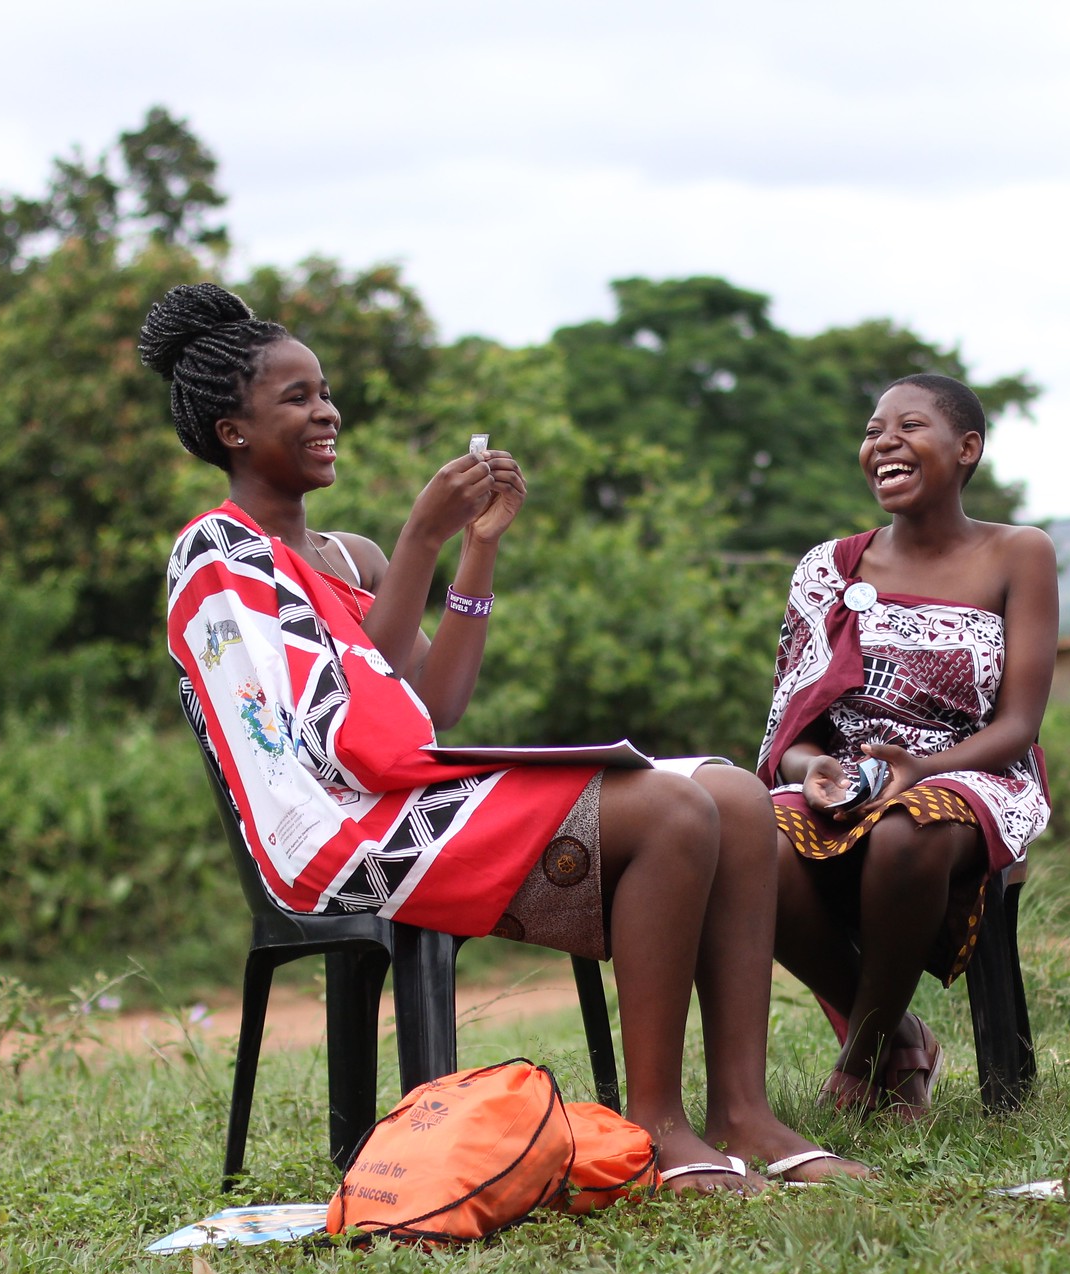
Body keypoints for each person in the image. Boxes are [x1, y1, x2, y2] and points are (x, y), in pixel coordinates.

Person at [144, 282, 867, 1191]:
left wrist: (474, 545)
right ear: (231, 431)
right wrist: (420, 536)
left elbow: (432, 697)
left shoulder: (344, 556)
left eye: (325, 390)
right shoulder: (220, 553)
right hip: (340, 829)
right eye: (297, 397)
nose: (327, 410)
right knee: (676, 810)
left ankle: (744, 1111)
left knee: (734, 796)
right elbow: (345, 728)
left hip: (401, 789)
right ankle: (655, 1127)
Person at [758, 374, 1058, 1117]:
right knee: (747, 837)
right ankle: (903, 1040)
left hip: (976, 768)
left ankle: (864, 1057)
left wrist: (922, 768)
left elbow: (1018, 725)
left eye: (908, 425)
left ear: (967, 448)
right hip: (851, 776)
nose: (882, 442)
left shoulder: (1019, 553)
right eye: (871, 430)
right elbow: (788, 732)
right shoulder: (828, 568)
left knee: (904, 828)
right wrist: (815, 769)